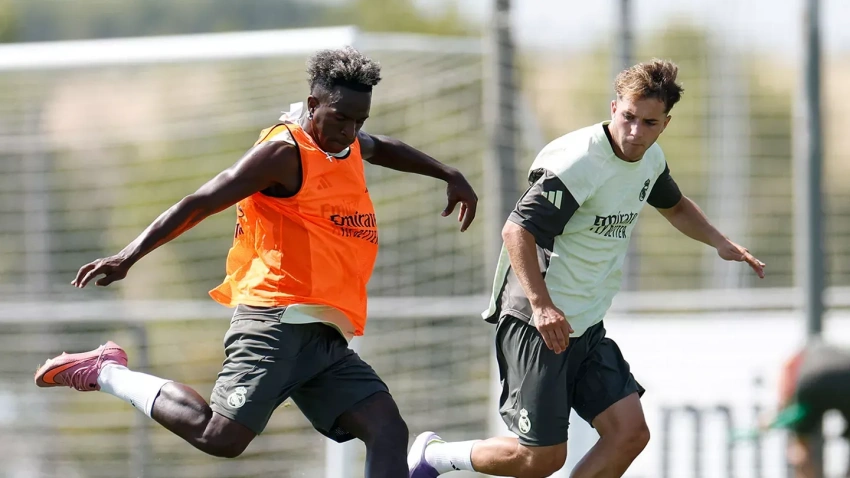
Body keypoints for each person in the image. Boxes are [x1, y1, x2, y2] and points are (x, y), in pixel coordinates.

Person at [34, 46, 478, 478]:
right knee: (220, 438)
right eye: (341, 119)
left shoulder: (346, 143)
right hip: (275, 320)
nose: (349, 131)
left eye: (359, 121)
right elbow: (200, 201)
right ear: (313, 105)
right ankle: (107, 371)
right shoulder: (283, 153)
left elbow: (382, 147)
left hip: (323, 334)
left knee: (387, 430)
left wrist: (448, 173)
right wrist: (128, 255)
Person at [408, 58, 766, 478]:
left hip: (586, 324)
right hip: (538, 322)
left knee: (629, 433)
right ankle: (435, 456)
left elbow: (675, 206)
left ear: (665, 124)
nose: (635, 132)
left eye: (649, 123)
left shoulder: (650, 160)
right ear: (614, 108)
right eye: (628, 117)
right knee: (541, 459)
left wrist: (721, 243)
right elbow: (516, 231)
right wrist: (542, 306)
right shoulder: (580, 162)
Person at [773, 341, 850, 478]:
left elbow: (787, 377)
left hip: (812, 382)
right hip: (847, 376)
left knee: (802, 446)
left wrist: (781, 409)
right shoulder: (836, 350)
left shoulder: (801, 354)